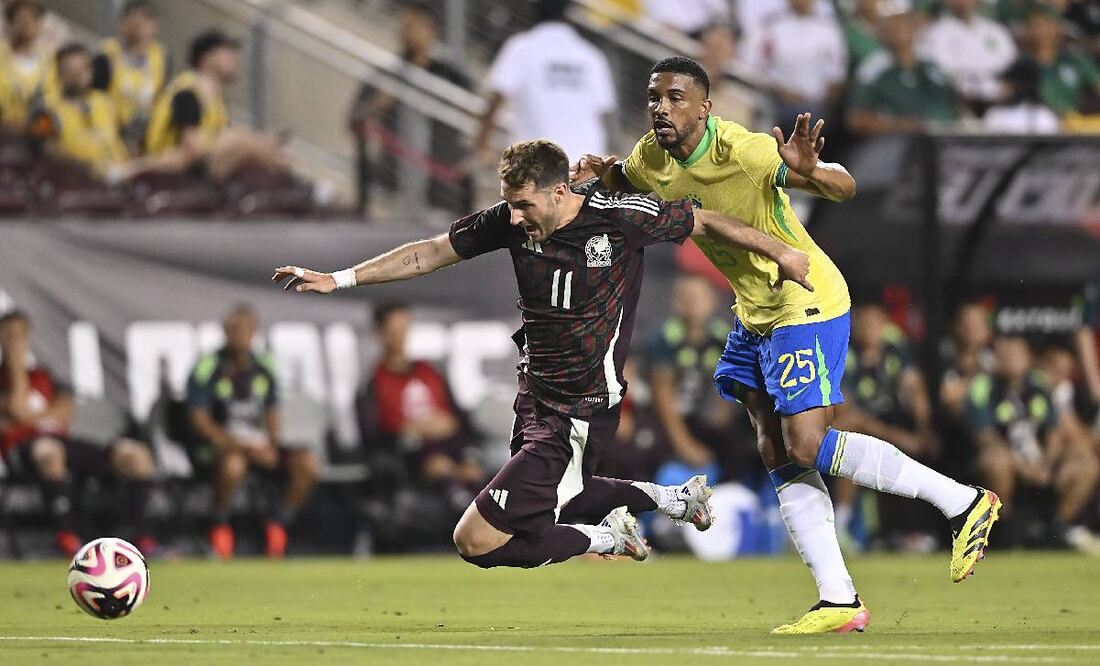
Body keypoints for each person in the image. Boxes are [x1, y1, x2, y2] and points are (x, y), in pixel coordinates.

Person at [575, 55, 998, 634]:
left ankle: (962, 501)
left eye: (675, 98)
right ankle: (838, 600)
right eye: (654, 97)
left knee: (805, 442)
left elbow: (844, 187)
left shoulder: (745, 153)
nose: (661, 108)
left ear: (705, 107)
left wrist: (812, 170)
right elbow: (630, 180)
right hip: (756, 311)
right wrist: (604, 174)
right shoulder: (650, 153)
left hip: (805, 297)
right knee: (773, 444)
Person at [273, 138, 815, 568]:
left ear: (560, 192)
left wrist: (783, 252)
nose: (514, 218)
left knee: (477, 540)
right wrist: (338, 278)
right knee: (567, 499)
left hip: (582, 405)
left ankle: (607, 539)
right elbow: (431, 252)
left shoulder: (619, 216)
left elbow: (704, 220)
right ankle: (673, 502)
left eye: (524, 204)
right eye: (509, 204)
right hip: (534, 396)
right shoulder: (512, 220)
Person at [0, 310, 157, 557]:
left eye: (20, 335)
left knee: (135, 455)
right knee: (48, 451)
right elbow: (16, 409)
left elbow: (65, 412)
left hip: (64, 442)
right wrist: (17, 371)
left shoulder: (43, 375)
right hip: (23, 452)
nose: (16, 341)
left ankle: (143, 538)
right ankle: (67, 536)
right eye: (9, 336)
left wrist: (29, 418)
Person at [186, 305, 319, 559]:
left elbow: (272, 413)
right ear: (225, 333)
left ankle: (279, 524)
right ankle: (220, 525)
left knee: (308, 463)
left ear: (255, 332)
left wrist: (271, 445)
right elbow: (199, 421)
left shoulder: (264, 366)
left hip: (257, 447)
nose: (241, 335)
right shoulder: (208, 367)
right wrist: (238, 445)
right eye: (235, 330)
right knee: (233, 465)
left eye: (247, 330)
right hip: (219, 449)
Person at [966, 336, 1100, 554]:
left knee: (1086, 463)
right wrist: (1024, 468)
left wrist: (1047, 462)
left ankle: (1057, 528)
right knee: (996, 460)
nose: (1012, 360)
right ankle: (1007, 528)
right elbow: (985, 437)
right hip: (1008, 462)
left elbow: (1054, 431)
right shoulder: (984, 386)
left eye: (1017, 354)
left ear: (1029, 358)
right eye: (1006, 355)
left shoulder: (1039, 385)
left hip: (1039, 462)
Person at [356, 301, 485, 514]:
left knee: (472, 469)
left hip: (450, 444)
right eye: (393, 331)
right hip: (408, 453)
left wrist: (450, 424)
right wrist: (409, 429)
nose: (400, 337)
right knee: (435, 463)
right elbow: (370, 437)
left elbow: (459, 416)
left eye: (404, 329)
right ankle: (460, 509)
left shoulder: (431, 372)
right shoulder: (373, 384)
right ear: (380, 334)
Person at [347, 1, 471, 216]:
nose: (409, 33)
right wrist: (379, 104)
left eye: (416, 26)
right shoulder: (386, 75)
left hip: (441, 193)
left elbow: (474, 123)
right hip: (392, 189)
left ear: (432, 29)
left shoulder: (452, 78)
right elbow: (354, 121)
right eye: (405, 26)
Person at [832, 303, 939, 552]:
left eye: (875, 323)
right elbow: (848, 414)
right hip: (856, 430)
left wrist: (924, 429)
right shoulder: (845, 357)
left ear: (884, 326)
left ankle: (914, 531)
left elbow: (916, 388)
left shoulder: (894, 355)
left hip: (889, 425)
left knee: (924, 446)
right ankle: (842, 524)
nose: (869, 329)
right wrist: (901, 437)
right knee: (852, 441)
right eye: (864, 324)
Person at [476, 0, 616, 164]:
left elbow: (496, 97)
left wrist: (482, 143)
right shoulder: (590, 55)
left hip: (536, 164)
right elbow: (604, 112)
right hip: (584, 164)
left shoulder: (521, 48)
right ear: (568, 15)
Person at [139, 29, 289, 182]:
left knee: (265, 153)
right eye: (227, 52)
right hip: (164, 167)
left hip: (196, 169)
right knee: (239, 142)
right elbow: (193, 148)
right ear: (208, 57)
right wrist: (243, 143)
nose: (234, 58)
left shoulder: (217, 99)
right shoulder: (188, 91)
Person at [647, 274, 740, 480]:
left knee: (733, 444)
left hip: (701, 421)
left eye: (697, 298)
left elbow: (729, 385)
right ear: (675, 301)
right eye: (685, 297)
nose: (691, 304)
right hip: (664, 424)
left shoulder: (721, 337)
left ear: (712, 301)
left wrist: (721, 418)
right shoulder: (665, 338)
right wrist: (684, 445)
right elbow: (663, 397)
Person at [846, 9, 959, 135]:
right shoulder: (872, 69)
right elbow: (857, 119)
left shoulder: (932, 64)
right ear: (880, 33)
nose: (899, 32)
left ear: (914, 29)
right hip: (896, 142)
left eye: (903, 26)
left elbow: (955, 102)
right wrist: (903, 126)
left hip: (947, 137)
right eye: (891, 28)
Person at [739, 0, 847, 129]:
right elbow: (755, 67)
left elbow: (837, 75)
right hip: (777, 102)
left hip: (816, 105)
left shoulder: (828, 29)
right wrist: (781, 92)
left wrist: (826, 104)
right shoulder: (771, 26)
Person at [28, 42, 129, 176]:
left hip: (121, 177)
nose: (78, 74)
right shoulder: (47, 111)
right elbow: (44, 153)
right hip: (76, 183)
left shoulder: (105, 101)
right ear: (58, 74)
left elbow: (122, 138)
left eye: (84, 67)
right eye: (70, 69)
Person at [93, 0, 169, 151]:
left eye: (146, 20)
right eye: (134, 19)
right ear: (121, 22)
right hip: (108, 131)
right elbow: (95, 98)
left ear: (155, 26)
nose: (139, 25)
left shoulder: (162, 57)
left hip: (144, 134)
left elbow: (161, 98)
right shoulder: (106, 54)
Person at [917, 0, 1016, 111]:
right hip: (959, 104)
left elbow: (1011, 63)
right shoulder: (934, 32)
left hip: (1001, 101)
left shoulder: (996, 31)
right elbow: (936, 72)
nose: (963, 2)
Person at [0, 0, 56, 126]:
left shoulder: (50, 64)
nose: (26, 24)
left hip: (38, 138)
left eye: (32, 18)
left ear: (39, 25)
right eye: (21, 18)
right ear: (9, 23)